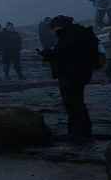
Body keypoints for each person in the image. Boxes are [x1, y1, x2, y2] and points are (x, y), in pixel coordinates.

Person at [39, 14, 103, 142]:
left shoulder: (71, 37)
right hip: (80, 73)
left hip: (72, 74)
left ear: (58, 26)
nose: (53, 32)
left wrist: (47, 54)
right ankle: (83, 132)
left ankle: (77, 133)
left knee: (73, 104)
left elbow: (62, 54)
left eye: (53, 28)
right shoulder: (78, 33)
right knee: (77, 103)